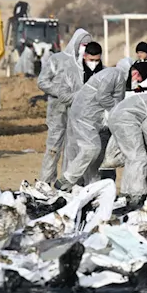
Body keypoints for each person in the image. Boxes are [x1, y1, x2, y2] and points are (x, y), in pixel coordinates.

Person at [59, 62, 143, 189]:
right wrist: (118, 111)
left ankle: (93, 188)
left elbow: (114, 99)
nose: (136, 77)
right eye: (135, 73)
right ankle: (67, 179)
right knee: (91, 148)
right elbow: (103, 97)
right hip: (85, 117)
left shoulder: (116, 76)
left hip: (92, 118)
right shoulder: (116, 75)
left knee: (96, 155)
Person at [36, 28, 92, 185]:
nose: (84, 47)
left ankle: (68, 183)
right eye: (83, 44)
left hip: (77, 113)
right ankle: (45, 182)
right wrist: (59, 93)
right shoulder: (58, 59)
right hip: (57, 111)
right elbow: (42, 81)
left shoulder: (86, 65)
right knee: (53, 148)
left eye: (88, 44)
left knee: (73, 148)